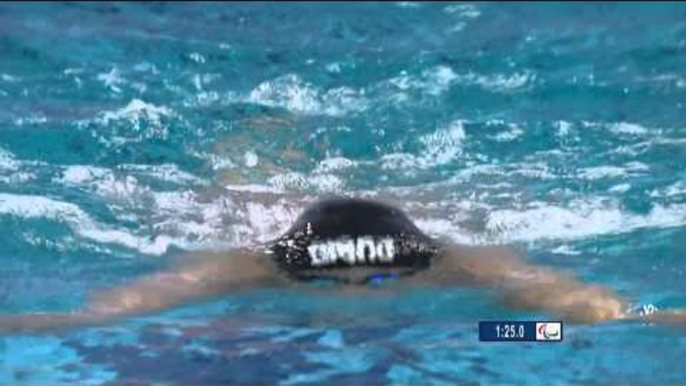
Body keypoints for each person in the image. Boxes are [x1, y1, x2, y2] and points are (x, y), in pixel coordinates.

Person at [1, 197, 684, 333]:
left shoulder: (458, 264)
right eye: (339, 284)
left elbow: (590, 306)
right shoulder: (247, 267)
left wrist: (660, 316)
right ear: (300, 272)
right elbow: (108, 310)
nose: (356, 301)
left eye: (379, 281)